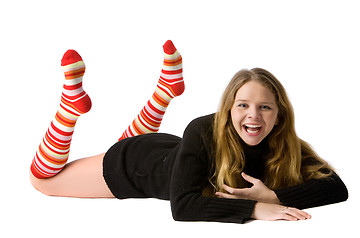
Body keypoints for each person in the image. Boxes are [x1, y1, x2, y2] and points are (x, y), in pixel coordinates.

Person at [30, 40, 348, 224]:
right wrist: (255, 208)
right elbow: (182, 207)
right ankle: (68, 110)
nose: (253, 115)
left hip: (166, 151)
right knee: (42, 181)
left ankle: (165, 91)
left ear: (279, 116)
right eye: (243, 106)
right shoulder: (203, 129)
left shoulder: (284, 143)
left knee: (128, 142)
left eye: (265, 107)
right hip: (135, 169)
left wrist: (275, 195)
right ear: (227, 110)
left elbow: (337, 187)